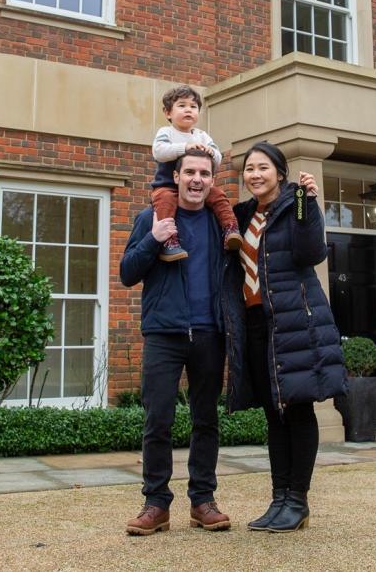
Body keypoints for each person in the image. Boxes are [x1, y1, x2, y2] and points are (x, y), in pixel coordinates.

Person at [222, 141, 347, 533]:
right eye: (249, 169)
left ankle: (298, 501)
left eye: (263, 167)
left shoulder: (294, 204)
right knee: (273, 416)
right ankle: (279, 499)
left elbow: (310, 252)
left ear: (280, 172)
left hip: (295, 324)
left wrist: (308, 203)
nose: (255, 174)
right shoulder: (242, 214)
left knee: (297, 409)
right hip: (256, 325)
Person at [119, 148, 231, 536]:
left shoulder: (221, 225)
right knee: (158, 420)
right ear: (177, 176)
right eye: (190, 172)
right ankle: (156, 504)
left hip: (209, 334)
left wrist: (304, 199)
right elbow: (126, 274)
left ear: (212, 181)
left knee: (206, 419)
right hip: (164, 333)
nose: (197, 179)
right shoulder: (151, 218)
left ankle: (203, 501)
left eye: (204, 173)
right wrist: (153, 240)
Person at [150, 85, 242, 262]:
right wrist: (185, 147)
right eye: (182, 105)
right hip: (167, 185)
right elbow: (159, 152)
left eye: (193, 107)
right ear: (168, 113)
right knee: (165, 202)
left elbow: (218, 158)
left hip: (195, 187)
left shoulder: (202, 136)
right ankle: (169, 241)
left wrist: (209, 151)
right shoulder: (166, 133)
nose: (188, 110)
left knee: (218, 195)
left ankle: (231, 229)